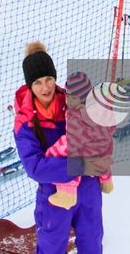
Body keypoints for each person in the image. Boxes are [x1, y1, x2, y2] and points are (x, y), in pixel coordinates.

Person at [13, 41, 109, 254]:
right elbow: (34, 167)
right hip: (55, 195)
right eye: (37, 82)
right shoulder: (25, 122)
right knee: (50, 252)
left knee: (92, 247)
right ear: (29, 85)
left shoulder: (73, 102)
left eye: (48, 79)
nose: (45, 87)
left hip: (88, 189)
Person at [43, 70, 116, 208]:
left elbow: (72, 141)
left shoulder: (77, 116)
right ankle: (106, 181)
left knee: (72, 164)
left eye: (70, 97)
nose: (67, 100)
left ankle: (67, 196)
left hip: (84, 150)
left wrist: (53, 151)